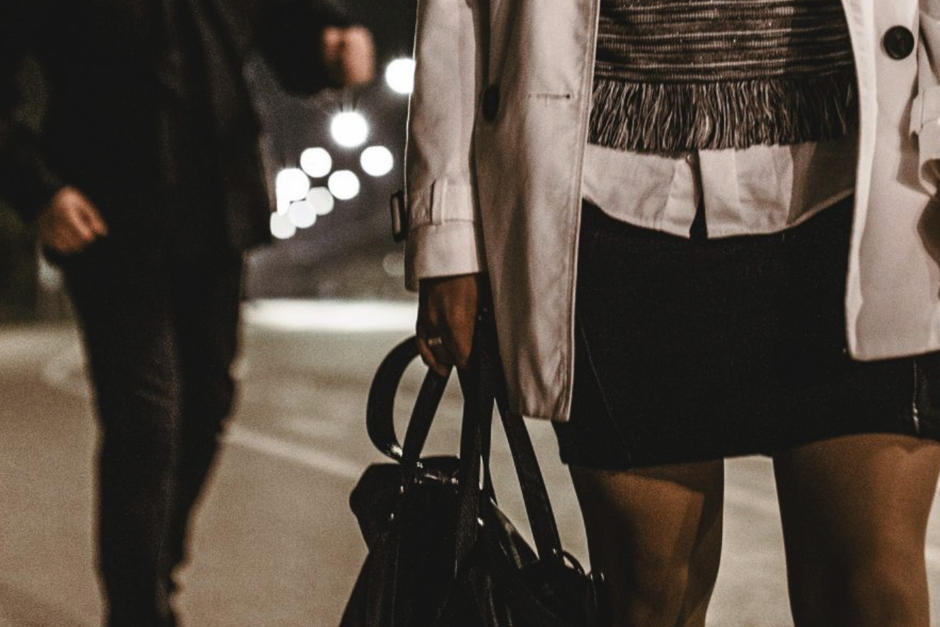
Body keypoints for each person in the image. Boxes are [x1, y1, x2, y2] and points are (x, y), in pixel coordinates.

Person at [402, 0, 940, 625]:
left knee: (871, 589)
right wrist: (445, 226)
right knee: (651, 592)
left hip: (860, 180)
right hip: (606, 189)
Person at [0, 1, 374, 625]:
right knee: (146, 423)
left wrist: (331, 42)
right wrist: (37, 190)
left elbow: (288, 38)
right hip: (107, 221)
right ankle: (136, 611)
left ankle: (154, 576)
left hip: (216, 216)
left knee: (206, 406)